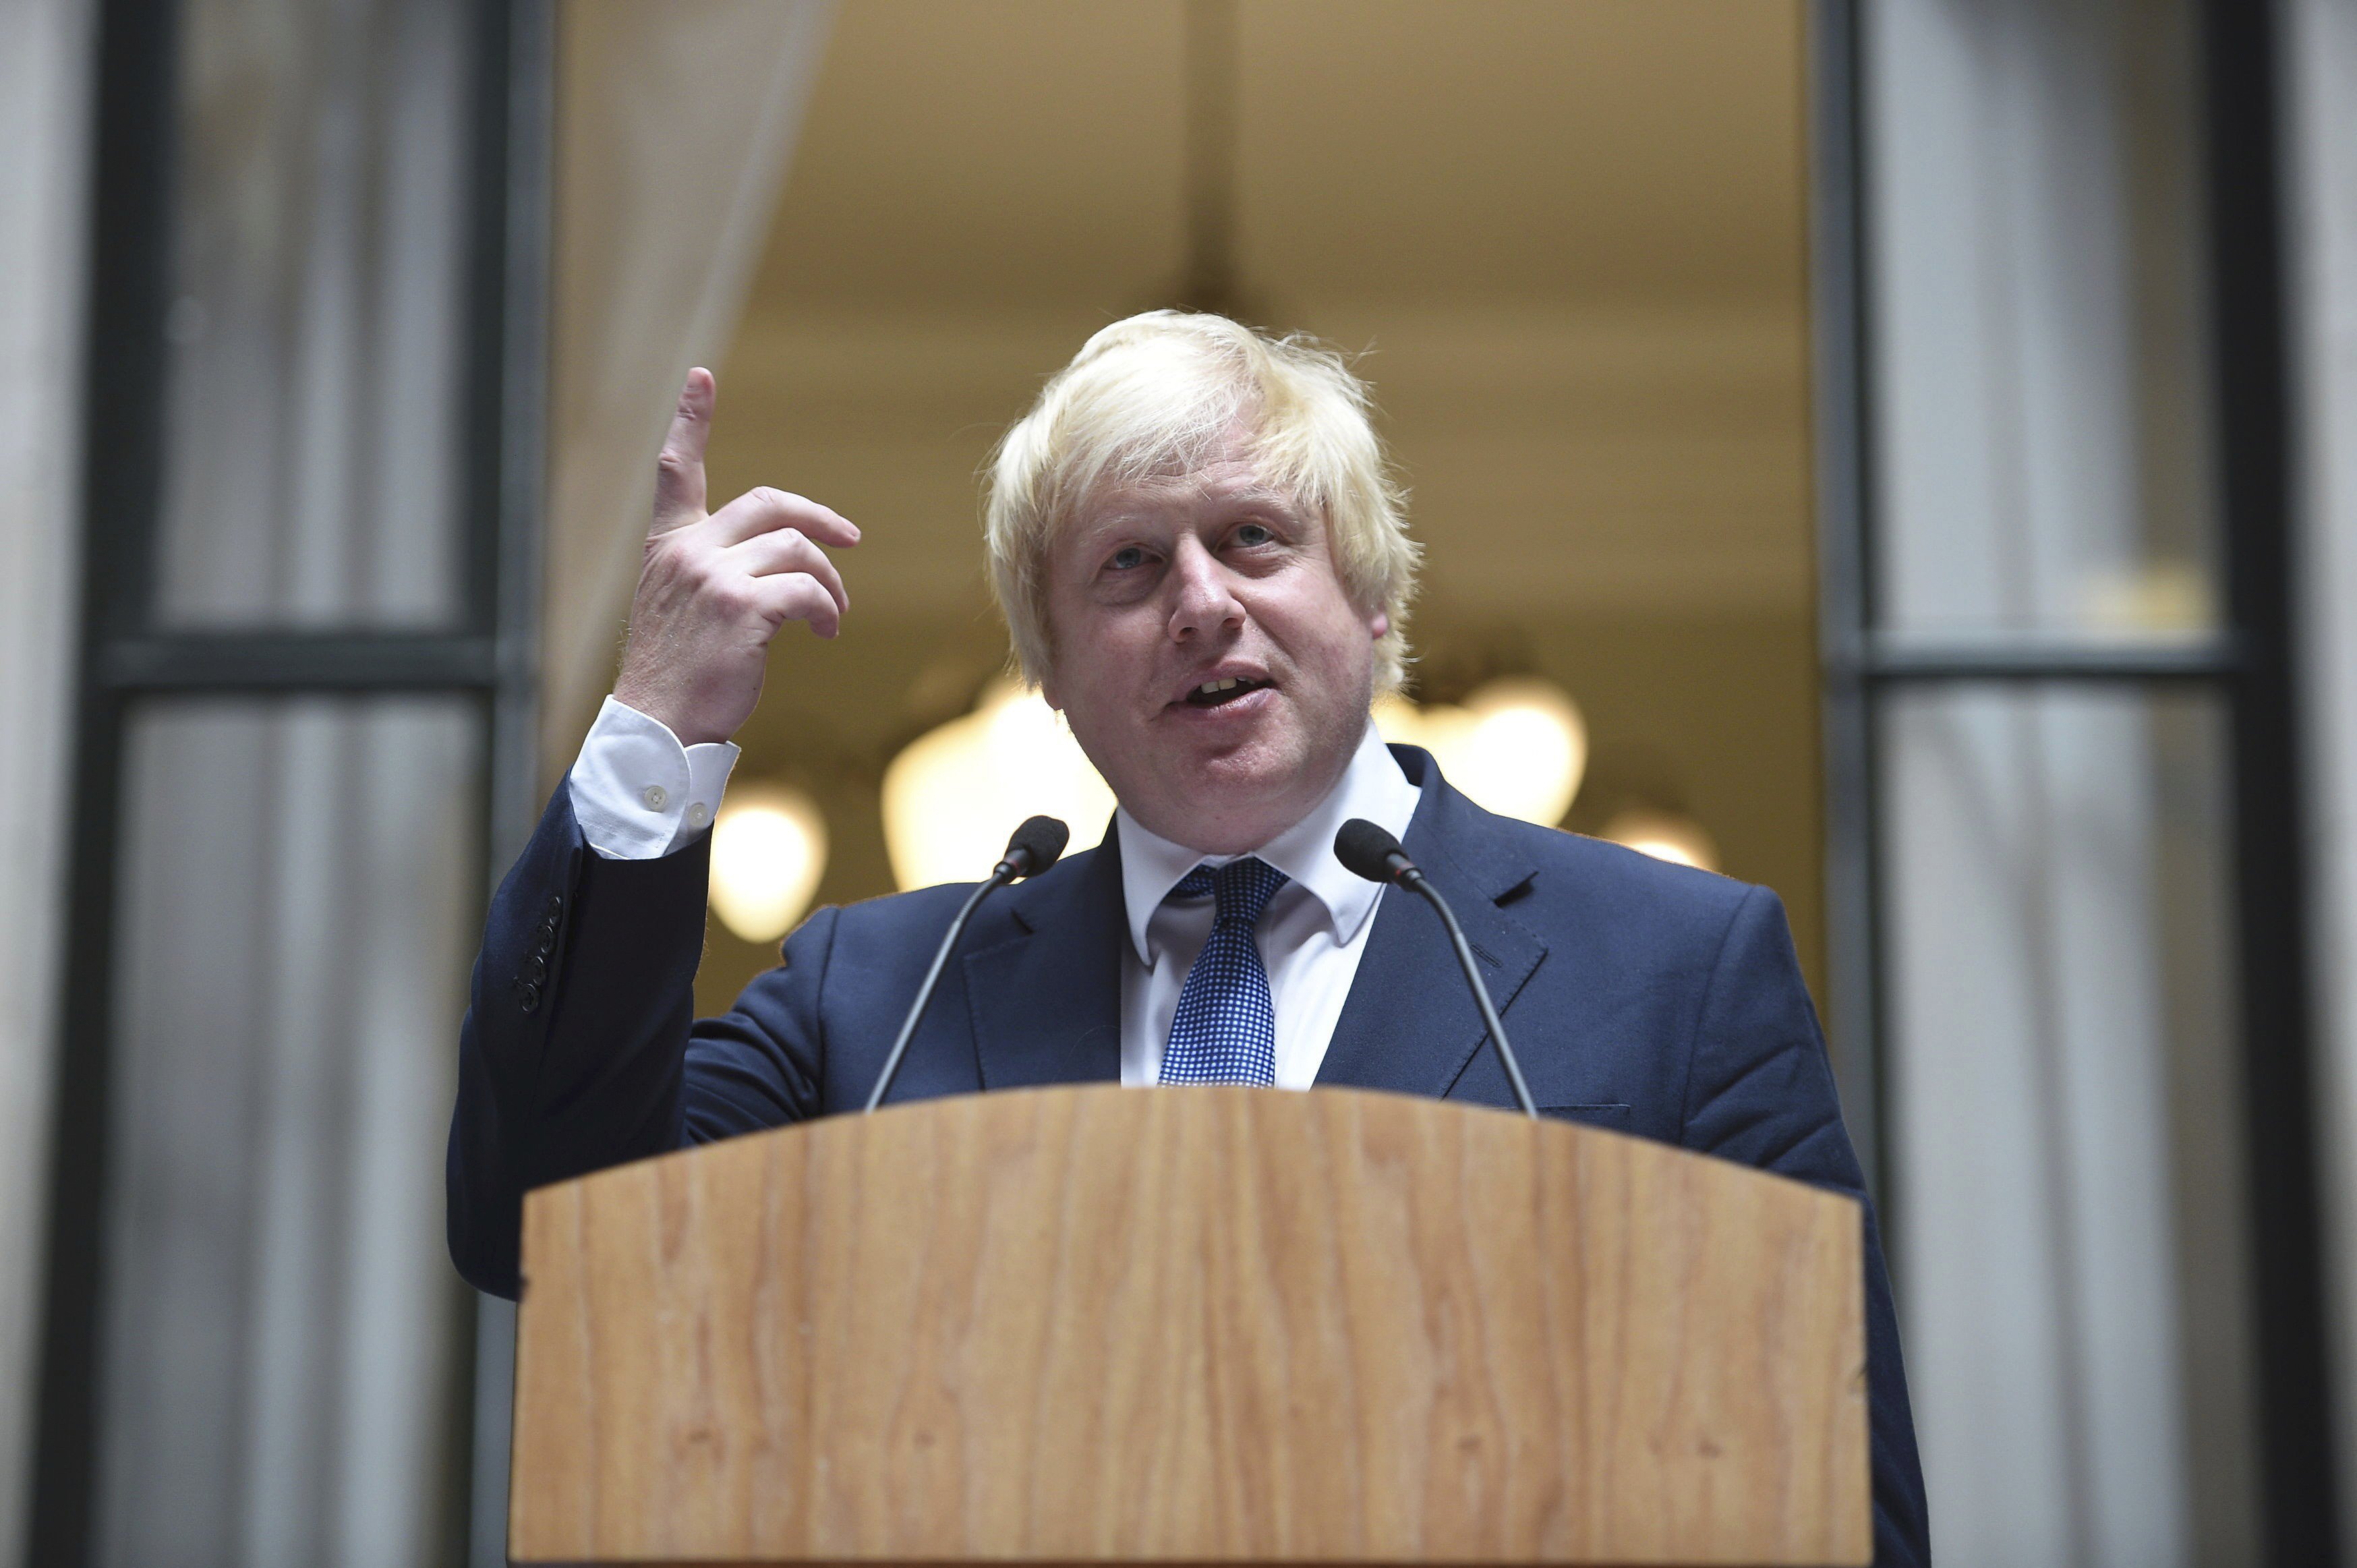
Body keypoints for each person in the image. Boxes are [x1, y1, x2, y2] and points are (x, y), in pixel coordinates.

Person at [447, 312, 1929, 1564]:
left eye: (1252, 538)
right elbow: (546, 1224)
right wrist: (654, 726)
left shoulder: (1675, 964)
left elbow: (1835, 1503)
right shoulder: (875, 998)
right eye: (1127, 567)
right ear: (1047, 670)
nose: (1200, 603)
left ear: (1370, 589)